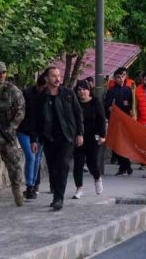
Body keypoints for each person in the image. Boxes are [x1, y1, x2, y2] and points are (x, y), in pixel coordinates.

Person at [30, 67, 84, 211]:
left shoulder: (68, 94)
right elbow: (34, 120)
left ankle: (58, 198)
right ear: (47, 79)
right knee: (53, 168)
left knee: (63, 165)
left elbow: (78, 114)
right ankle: (56, 193)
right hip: (49, 138)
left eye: (58, 75)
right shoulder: (41, 98)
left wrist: (80, 133)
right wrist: (33, 140)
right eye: (53, 76)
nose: (57, 78)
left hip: (67, 137)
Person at [71, 80, 107, 199]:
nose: (82, 92)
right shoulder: (75, 103)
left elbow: (102, 119)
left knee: (92, 163)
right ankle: (79, 188)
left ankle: (97, 178)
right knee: (78, 164)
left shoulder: (96, 102)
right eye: (79, 90)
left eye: (84, 89)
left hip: (93, 138)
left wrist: (102, 135)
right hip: (78, 138)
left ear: (89, 90)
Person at [0, 61, 26, 206]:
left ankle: (17, 192)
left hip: (7, 133)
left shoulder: (13, 90)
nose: (1, 76)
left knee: (14, 164)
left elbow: (21, 110)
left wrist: (12, 127)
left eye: (3, 73)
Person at [19, 73, 46, 200]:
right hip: (25, 130)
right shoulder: (26, 94)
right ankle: (29, 185)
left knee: (37, 159)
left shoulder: (48, 96)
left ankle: (34, 184)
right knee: (31, 156)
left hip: (40, 132)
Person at [104, 67, 134, 176]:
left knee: (125, 144)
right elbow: (107, 105)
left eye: (122, 76)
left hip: (126, 121)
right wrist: (109, 109)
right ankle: (124, 166)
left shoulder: (128, 90)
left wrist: (129, 108)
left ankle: (126, 166)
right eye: (118, 77)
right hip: (115, 121)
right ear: (114, 78)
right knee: (117, 145)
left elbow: (131, 105)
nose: (120, 79)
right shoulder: (111, 91)